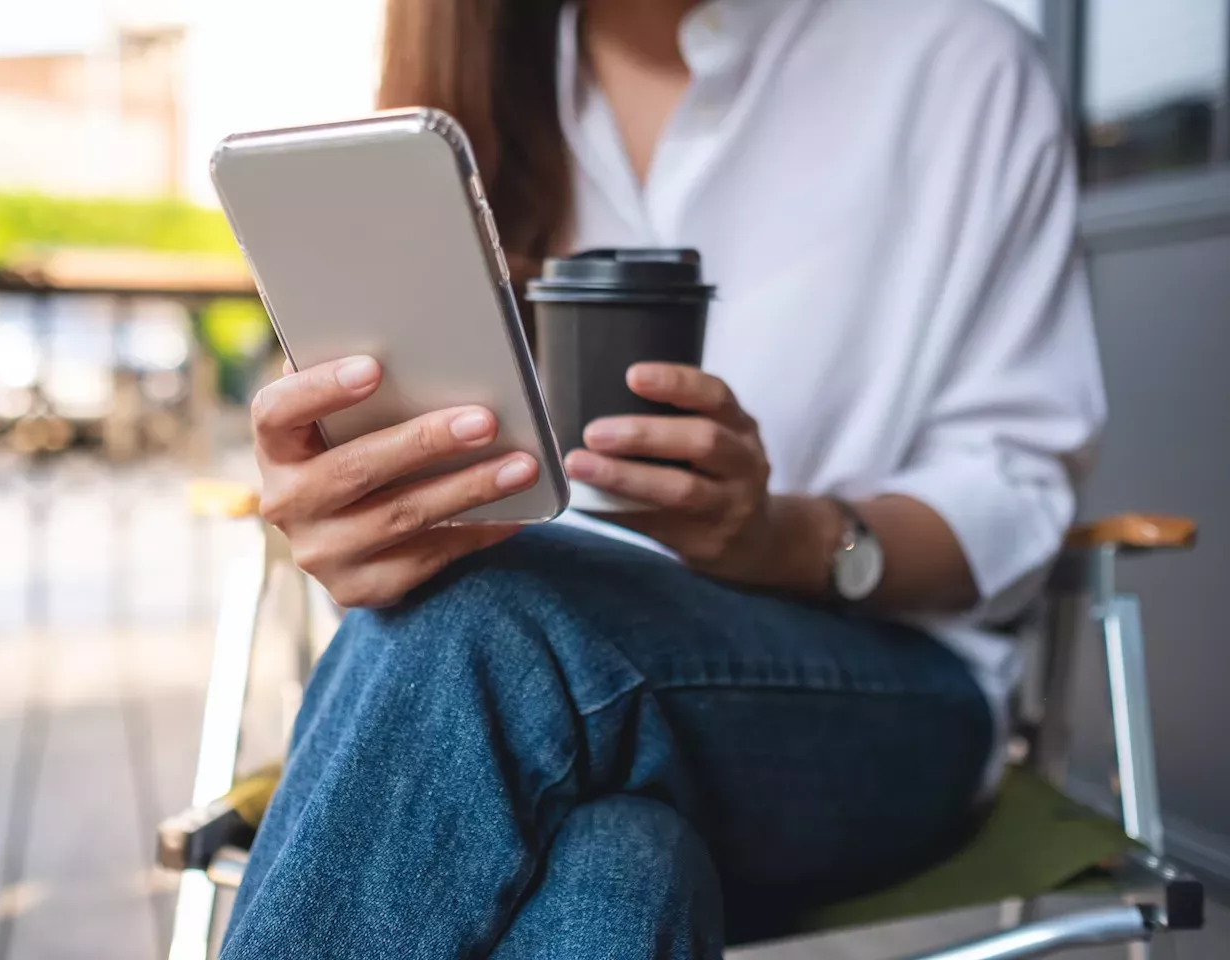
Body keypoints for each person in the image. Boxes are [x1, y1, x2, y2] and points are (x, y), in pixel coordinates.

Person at [221, 0, 1106, 956]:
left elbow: (1012, 484)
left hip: (881, 696)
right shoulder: (472, 83)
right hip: (506, 712)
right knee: (616, 870)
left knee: (492, 626)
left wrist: (790, 539)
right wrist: (356, 507)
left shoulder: (955, 64)